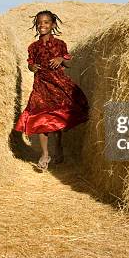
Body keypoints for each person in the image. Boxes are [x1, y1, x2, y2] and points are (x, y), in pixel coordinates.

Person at [14, 10, 89, 171]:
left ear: (53, 25)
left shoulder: (60, 44)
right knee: (41, 119)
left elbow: (69, 62)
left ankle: (59, 146)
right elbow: (30, 64)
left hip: (58, 84)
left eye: (46, 22)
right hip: (41, 85)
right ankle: (45, 154)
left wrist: (61, 59)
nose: (42, 25)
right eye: (40, 22)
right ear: (36, 25)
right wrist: (32, 67)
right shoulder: (33, 47)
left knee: (57, 119)